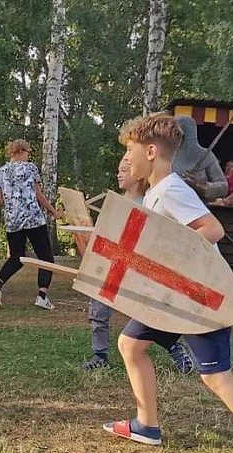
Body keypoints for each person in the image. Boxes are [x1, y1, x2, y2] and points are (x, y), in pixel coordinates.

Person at [103, 114, 233, 453]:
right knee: (130, 344)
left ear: (151, 151)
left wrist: (170, 262)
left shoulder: (172, 189)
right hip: (169, 295)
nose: (127, 160)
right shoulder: (155, 191)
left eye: (130, 151)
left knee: (217, 377)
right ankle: (147, 425)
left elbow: (212, 229)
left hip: (198, 298)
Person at [82, 150, 194, 376]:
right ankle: (100, 354)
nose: (119, 174)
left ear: (137, 174)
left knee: (148, 315)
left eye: (124, 169)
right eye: (118, 170)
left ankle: (174, 347)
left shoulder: (150, 201)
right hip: (113, 264)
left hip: (140, 268)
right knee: (98, 308)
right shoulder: (115, 202)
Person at [0, 139, 60, 310]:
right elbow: (38, 195)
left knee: (17, 257)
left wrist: (12, 201)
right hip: (33, 218)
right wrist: (52, 211)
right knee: (46, 258)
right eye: (28, 152)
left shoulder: (0, 172)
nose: (29, 155)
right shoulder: (31, 168)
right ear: (21, 151)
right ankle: (42, 296)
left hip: (13, 221)